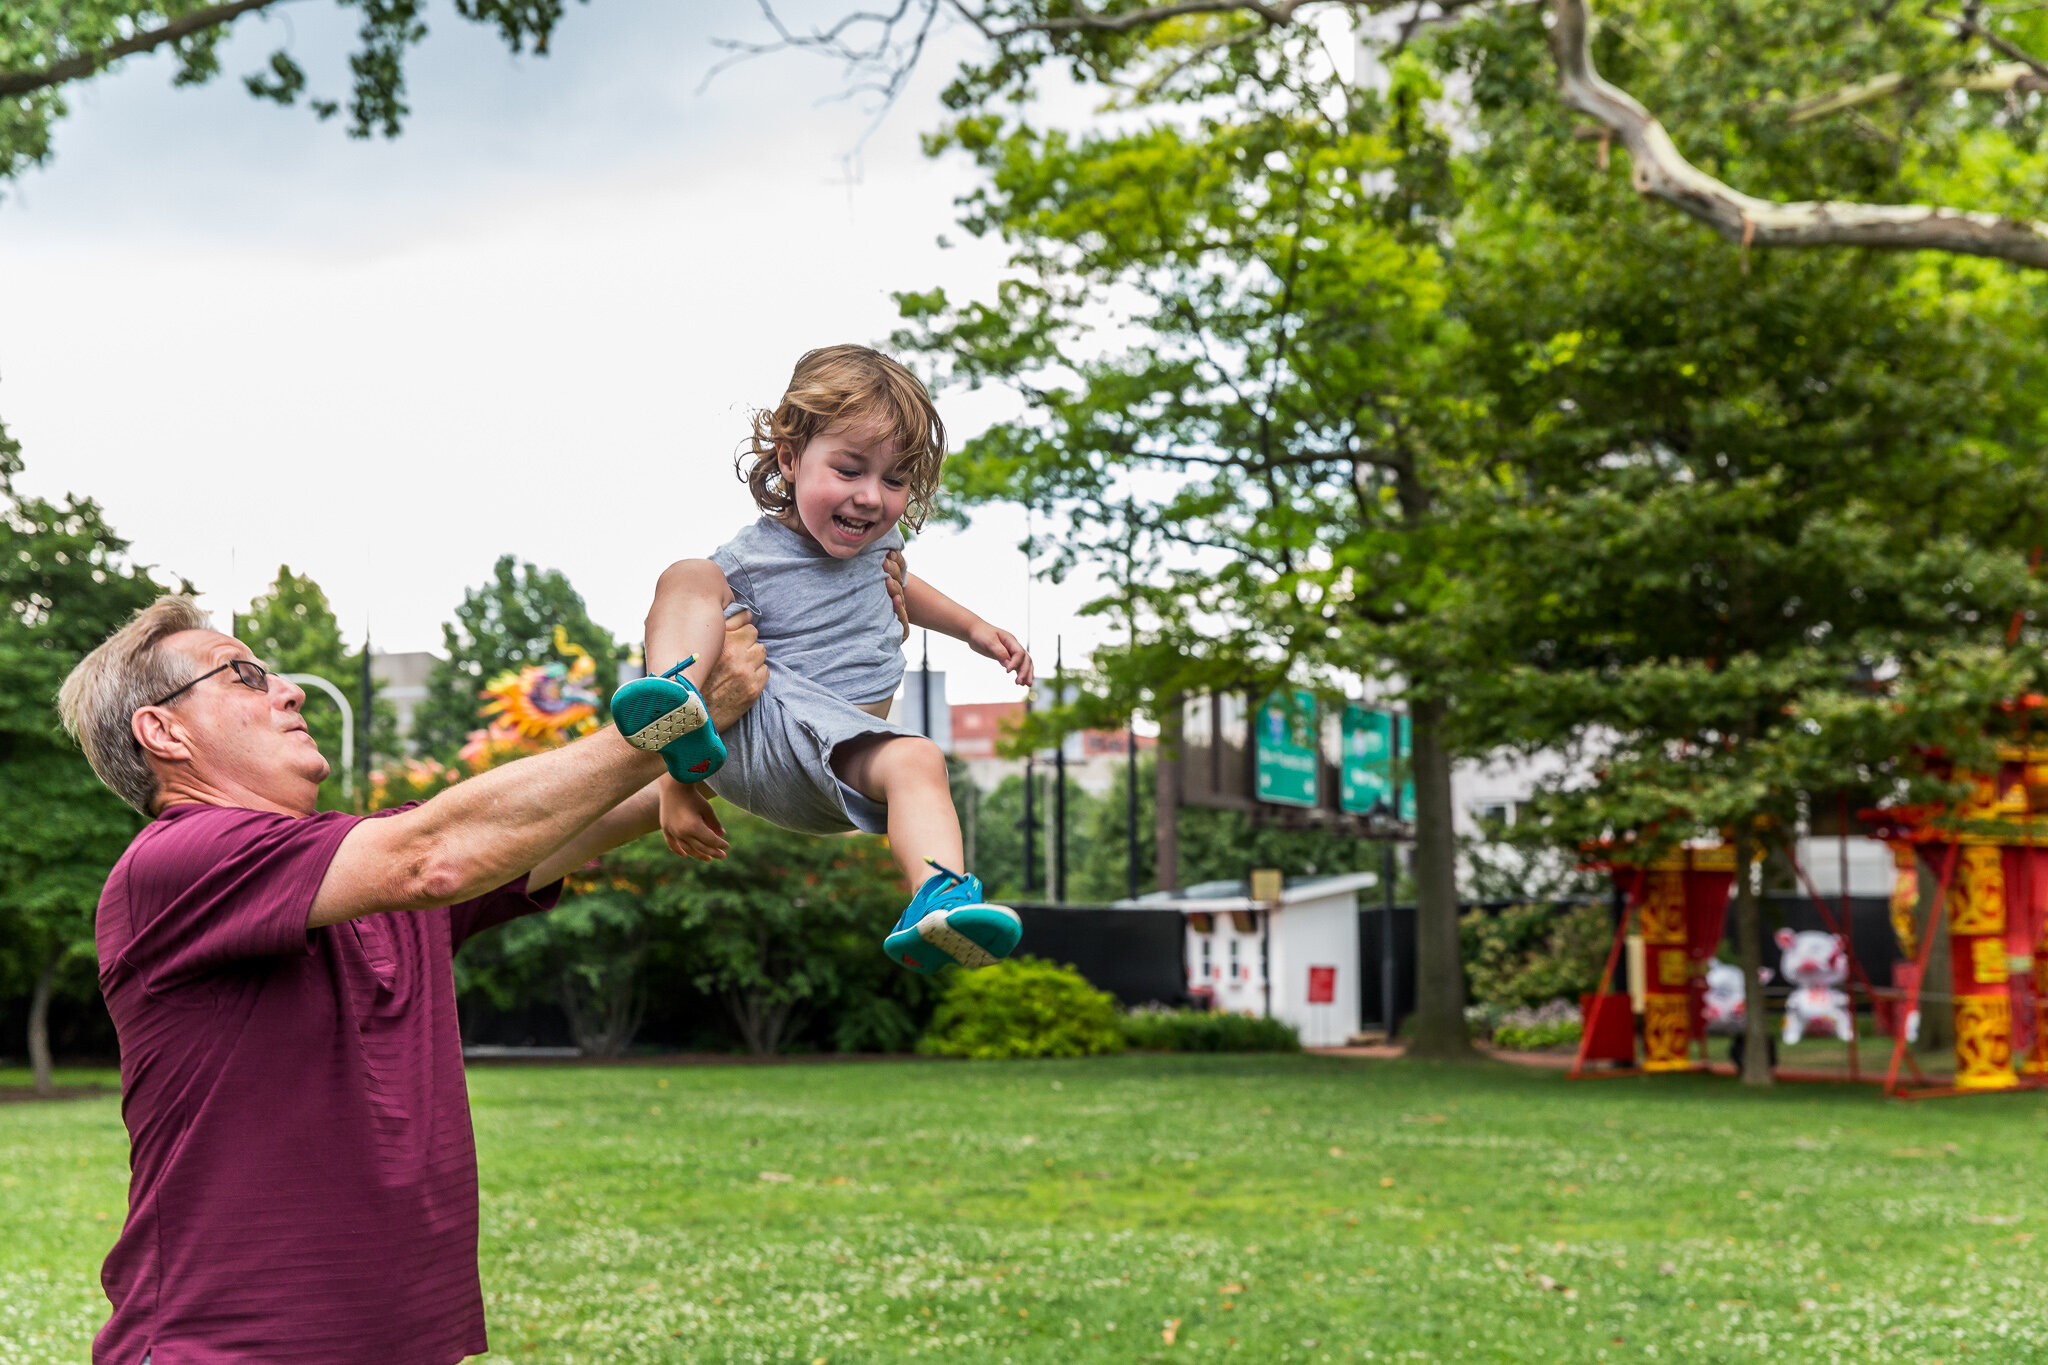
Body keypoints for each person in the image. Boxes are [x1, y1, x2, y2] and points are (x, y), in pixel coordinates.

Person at [51, 596, 783, 1365]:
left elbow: (578, 813)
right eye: (244, 674)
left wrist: (760, 686)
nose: (290, 690)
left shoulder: (363, 875)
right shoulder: (176, 862)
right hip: (223, 1350)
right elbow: (439, 853)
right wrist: (674, 721)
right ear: (164, 730)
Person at [622, 344, 1033, 974]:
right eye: (849, 470)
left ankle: (938, 899)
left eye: (894, 480)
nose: (871, 497)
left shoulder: (879, 547)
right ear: (788, 458)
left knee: (919, 757)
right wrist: (675, 786)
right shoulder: (750, 562)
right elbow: (695, 603)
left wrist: (973, 628)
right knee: (688, 577)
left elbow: (902, 584)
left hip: (839, 764)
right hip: (756, 734)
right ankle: (677, 698)